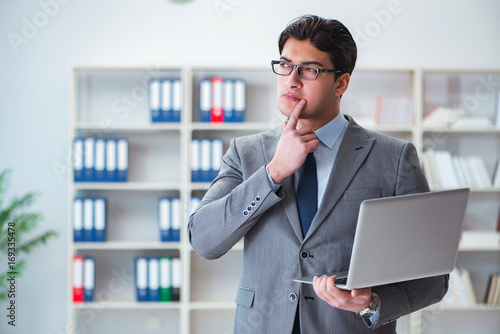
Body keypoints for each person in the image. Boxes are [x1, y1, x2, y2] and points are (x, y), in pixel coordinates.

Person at [188, 14, 448, 334]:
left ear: (341, 83)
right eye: (284, 65)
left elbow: (433, 279)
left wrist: (371, 303)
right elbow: (203, 240)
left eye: (309, 69)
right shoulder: (247, 153)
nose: (291, 80)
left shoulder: (392, 159)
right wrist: (274, 172)